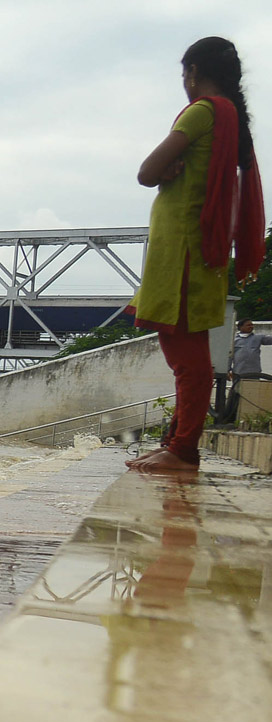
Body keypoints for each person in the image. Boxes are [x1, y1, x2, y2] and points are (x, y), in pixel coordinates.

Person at [126, 37, 265, 473]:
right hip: (201, 249)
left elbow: (145, 173)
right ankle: (176, 443)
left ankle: (183, 449)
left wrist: (163, 171)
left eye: (184, 75)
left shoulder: (204, 111)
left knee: (187, 356)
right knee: (187, 352)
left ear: (191, 72)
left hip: (183, 250)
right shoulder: (232, 119)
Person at [218, 318, 272, 423]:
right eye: (248, 325)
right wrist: (227, 370)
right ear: (240, 327)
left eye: (252, 325)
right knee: (237, 395)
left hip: (255, 372)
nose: (251, 327)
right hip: (239, 373)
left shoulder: (258, 338)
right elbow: (229, 356)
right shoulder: (234, 340)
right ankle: (232, 418)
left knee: (253, 394)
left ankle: (250, 417)